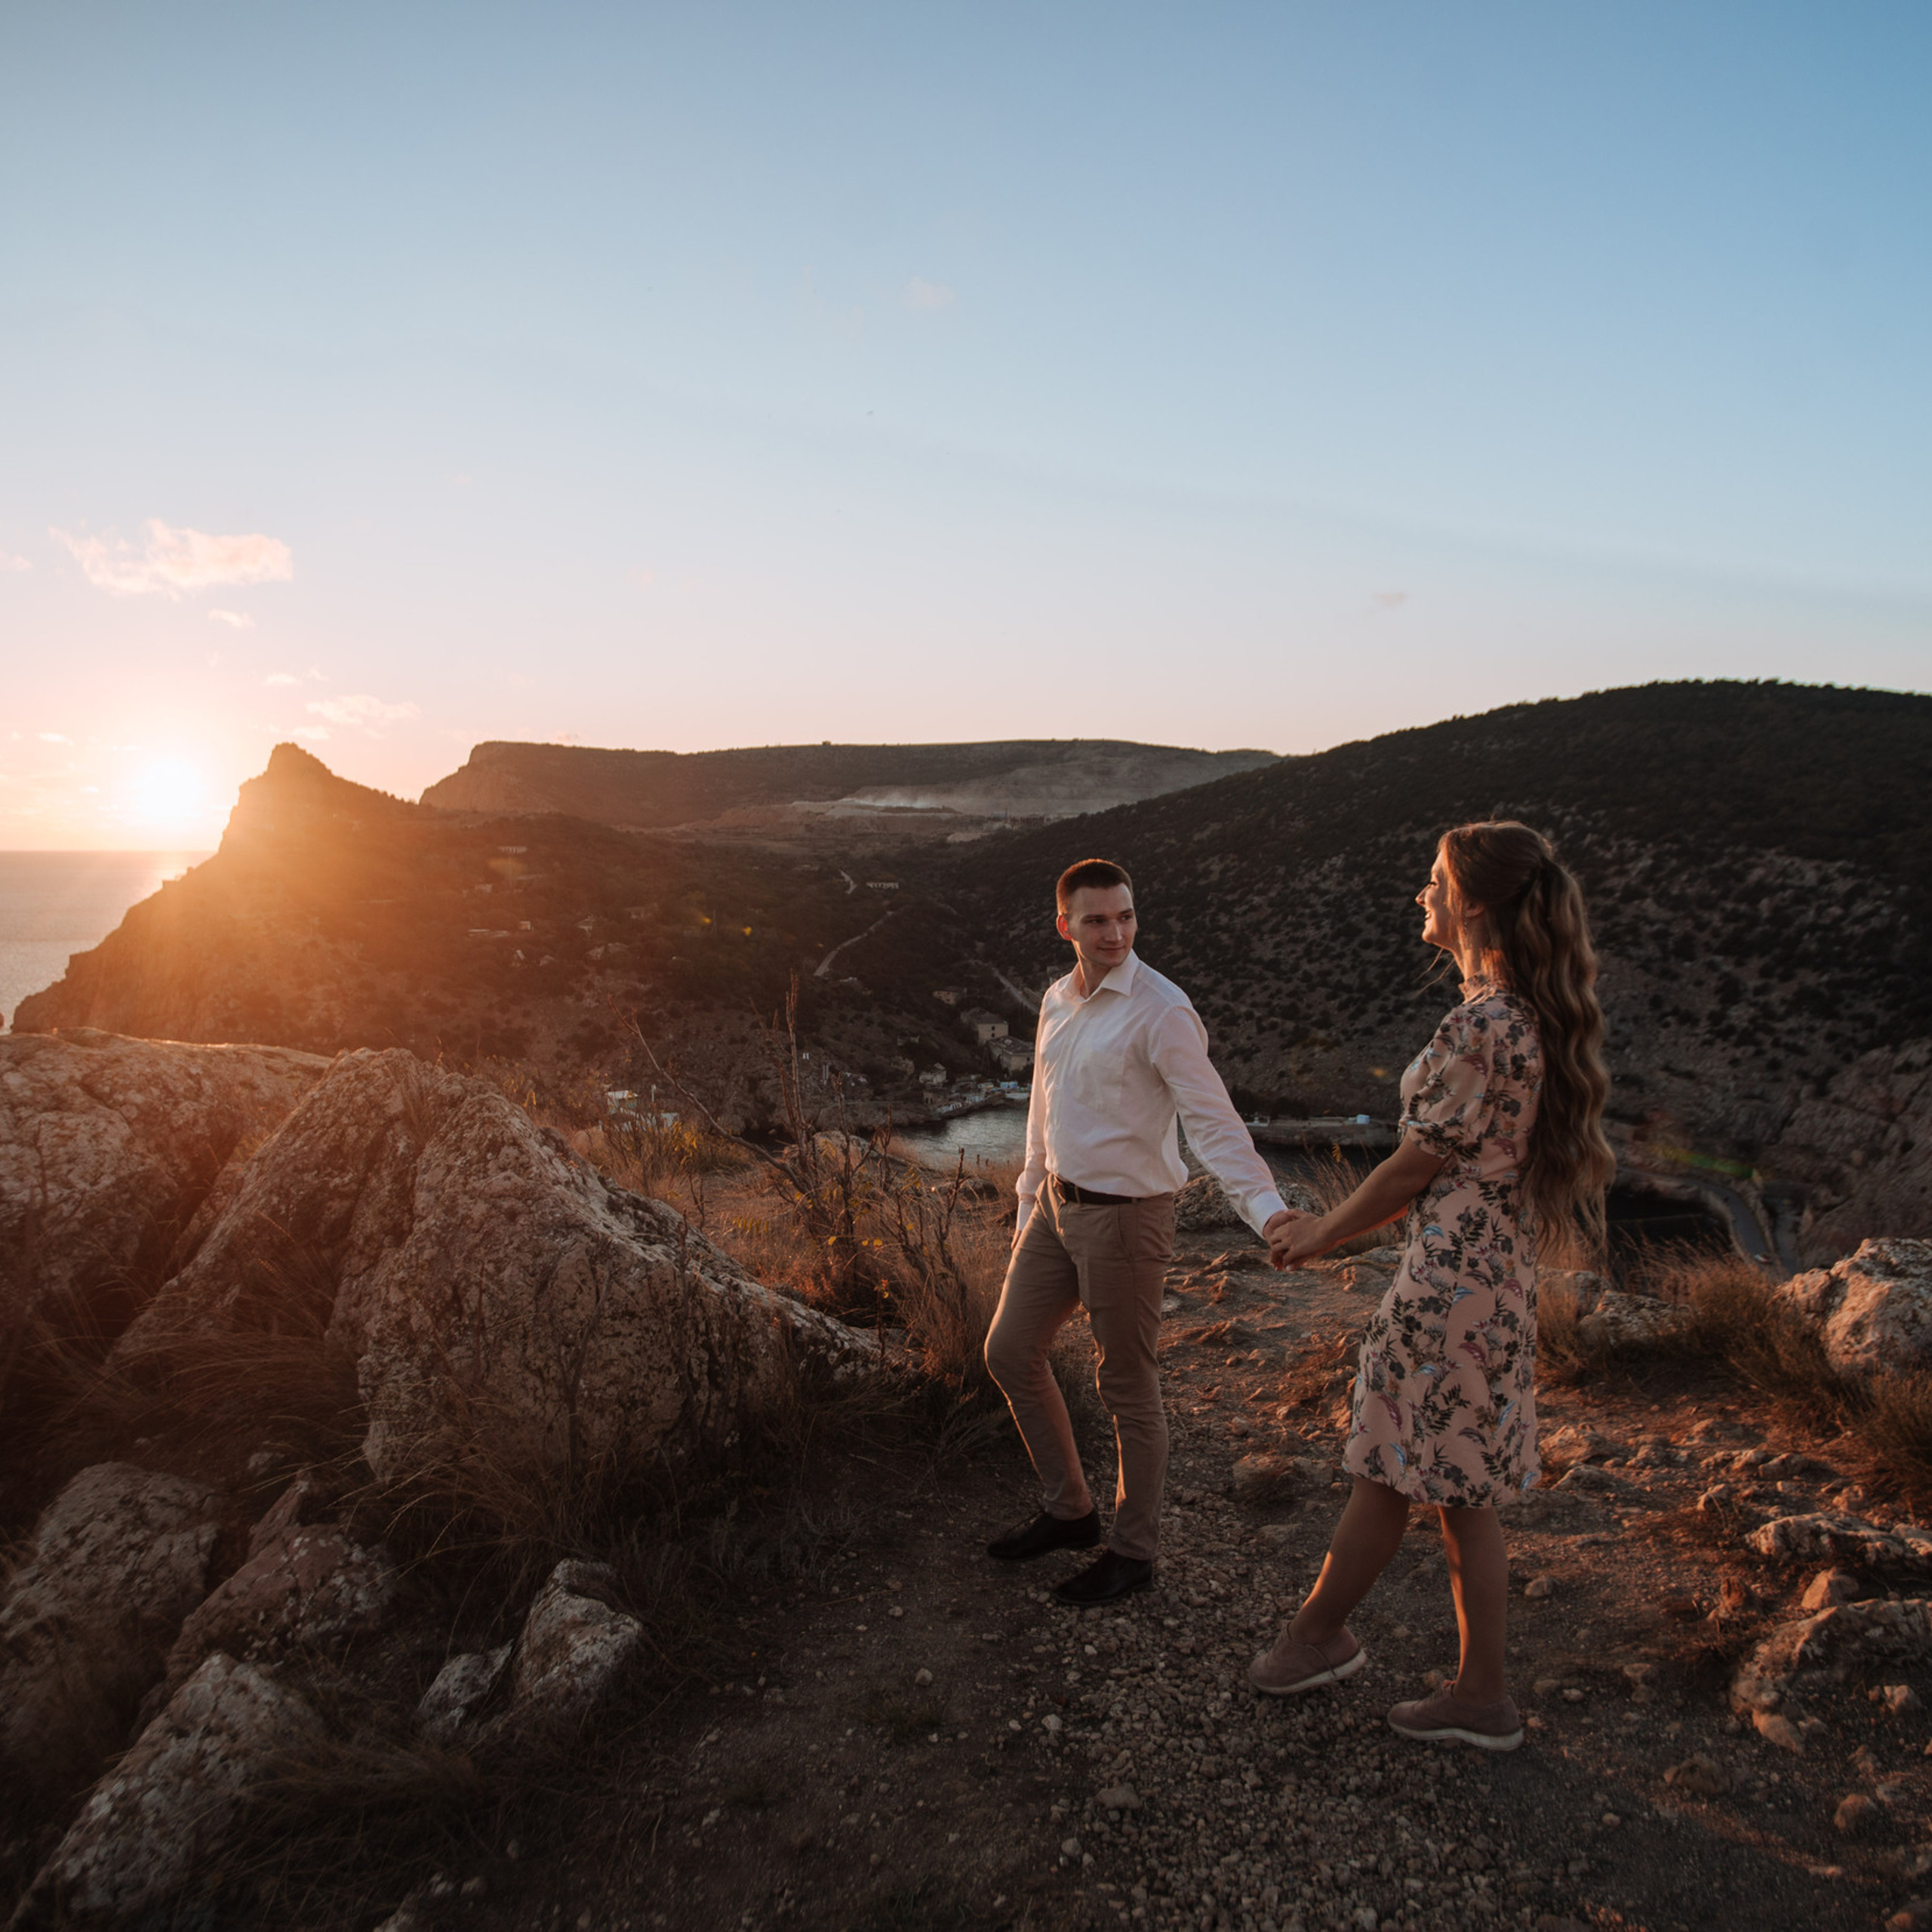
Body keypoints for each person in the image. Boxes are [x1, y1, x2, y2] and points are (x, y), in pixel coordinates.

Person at [1249, 820, 1613, 1749]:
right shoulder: (1526, 1013)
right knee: (1462, 1486)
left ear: (1475, 900)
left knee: (1385, 1467)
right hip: (1496, 1277)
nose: (1423, 894)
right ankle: (1478, 1696)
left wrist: (1318, 1235)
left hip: (1447, 1284)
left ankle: (1315, 1637)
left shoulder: (1481, 1022)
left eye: (1435, 880)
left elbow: (1413, 1166)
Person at [983, 858, 1298, 1607]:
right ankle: (1071, 1512)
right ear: (1065, 926)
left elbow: (1212, 1121)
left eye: (1124, 916)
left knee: (1125, 1381)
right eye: (1096, 919)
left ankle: (1133, 1551)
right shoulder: (1057, 999)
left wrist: (1266, 1209)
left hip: (1127, 1218)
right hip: (1059, 1208)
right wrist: (1029, 1202)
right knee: (1007, 1350)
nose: (1115, 932)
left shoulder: (1161, 1011)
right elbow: (1042, 1111)